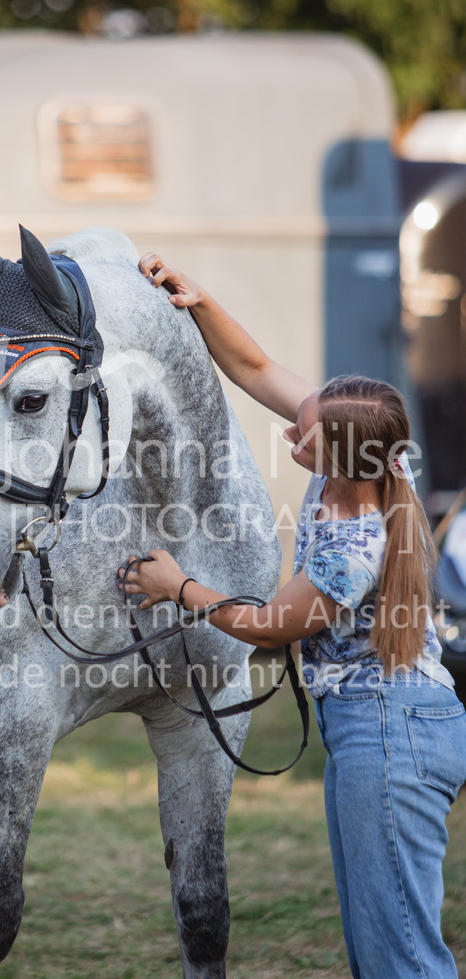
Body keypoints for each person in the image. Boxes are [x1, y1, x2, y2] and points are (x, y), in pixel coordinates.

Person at [119, 253, 466, 979]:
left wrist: (178, 586)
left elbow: (273, 625)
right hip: (387, 726)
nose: (289, 435)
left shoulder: (352, 548)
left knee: (397, 950)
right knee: (380, 938)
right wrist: (198, 300)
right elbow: (256, 367)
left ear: (336, 456)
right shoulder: (378, 456)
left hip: (388, 733)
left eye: (302, 436)